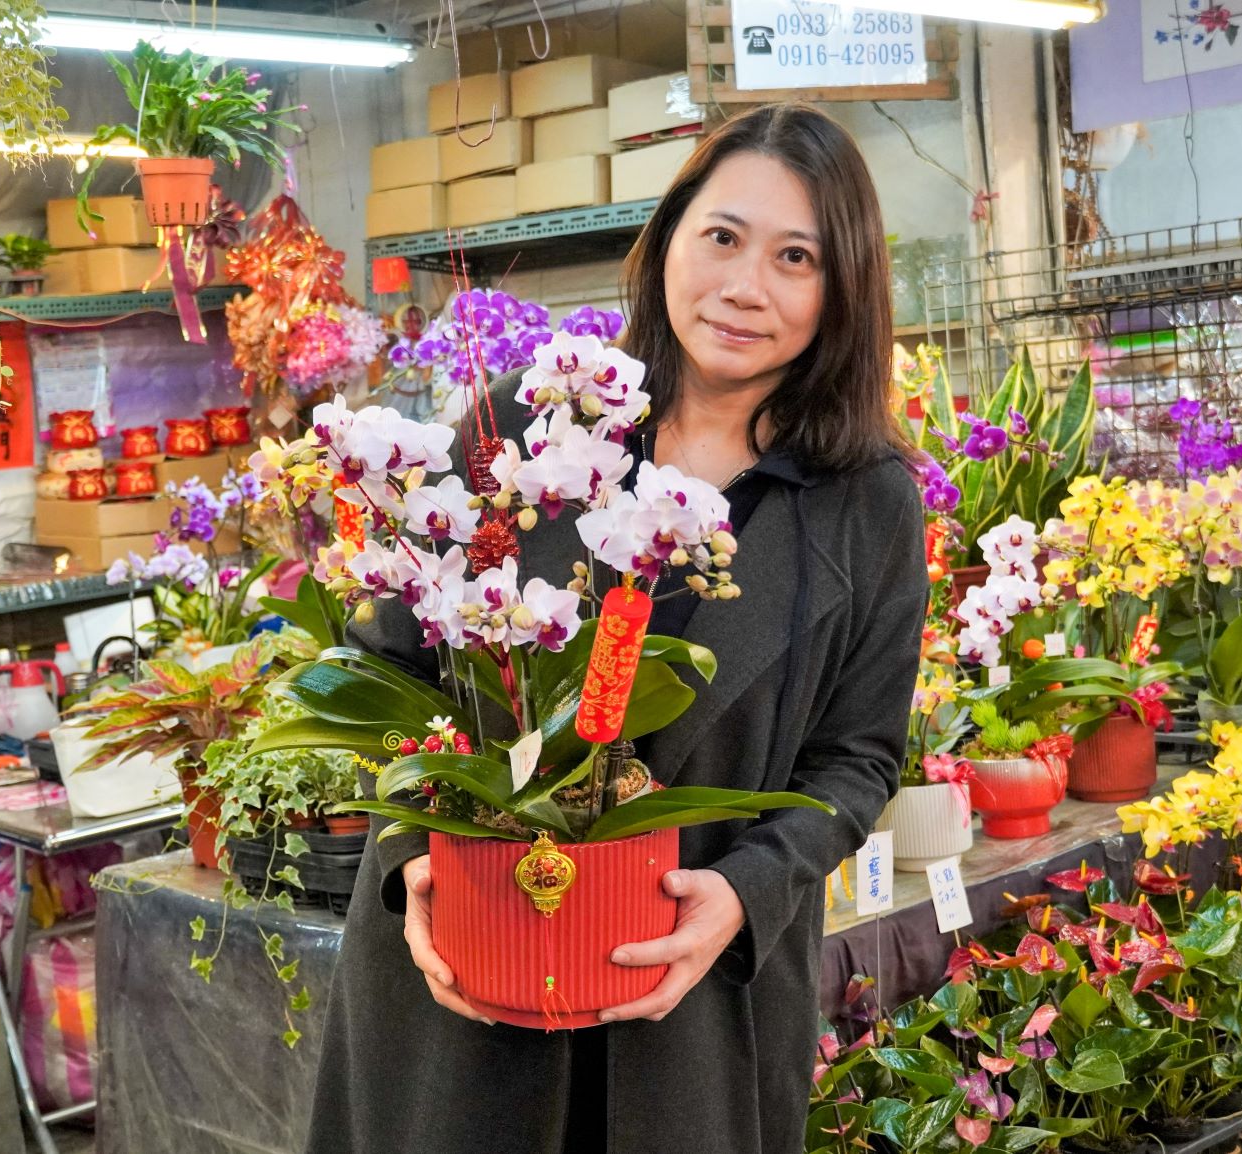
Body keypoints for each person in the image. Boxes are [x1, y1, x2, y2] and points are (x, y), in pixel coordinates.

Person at [304, 103, 928, 1154]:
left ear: (841, 289)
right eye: (721, 236)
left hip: (684, 989)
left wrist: (744, 891)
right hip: (467, 968)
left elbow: (857, 758)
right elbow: (390, 665)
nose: (743, 286)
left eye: (795, 257)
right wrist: (414, 849)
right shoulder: (535, 428)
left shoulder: (863, 501)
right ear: (671, 235)